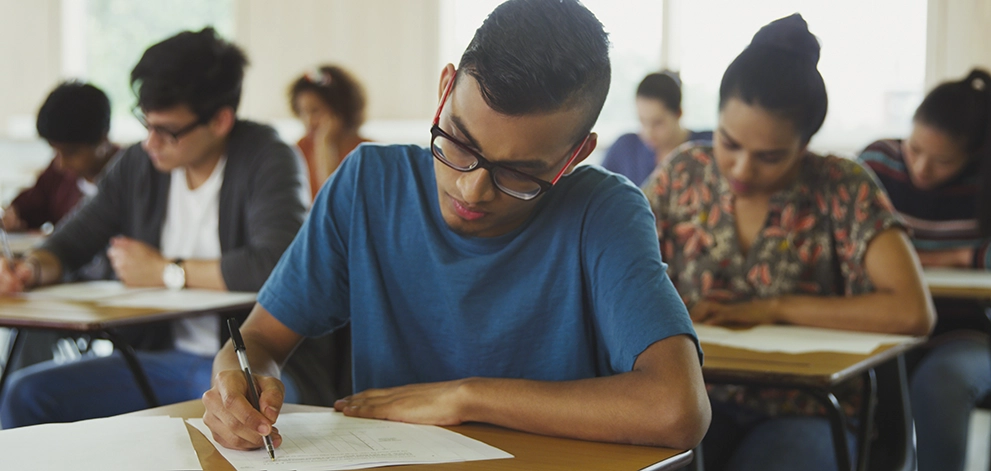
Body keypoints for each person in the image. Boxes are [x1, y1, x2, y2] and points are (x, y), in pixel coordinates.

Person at [201, 0, 709, 453]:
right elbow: (257, 341)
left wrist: (466, 397)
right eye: (459, 143)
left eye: (519, 173)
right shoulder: (368, 185)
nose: (472, 189)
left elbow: (676, 407)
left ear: (575, 156)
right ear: (445, 90)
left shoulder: (604, 212)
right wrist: (237, 387)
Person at [642, 14, 935, 471]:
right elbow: (613, 269)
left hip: (811, 408)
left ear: (805, 144)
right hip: (695, 397)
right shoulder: (683, 174)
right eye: (729, 142)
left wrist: (774, 308)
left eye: (770, 156)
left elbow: (913, 312)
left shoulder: (842, 185)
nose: (741, 168)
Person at [0, 27, 308, 428]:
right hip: (160, 361)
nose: (151, 142)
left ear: (220, 120)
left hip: (249, 365)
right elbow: (71, 242)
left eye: (167, 131)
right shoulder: (139, 165)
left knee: (248, 404)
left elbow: (277, 265)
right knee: (26, 394)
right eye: (146, 124)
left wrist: (167, 272)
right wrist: (30, 269)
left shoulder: (268, 158)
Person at [857, 68, 991, 471]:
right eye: (914, 148)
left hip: (965, 331)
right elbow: (842, 237)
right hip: (883, 327)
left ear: (973, 155)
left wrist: (952, 258)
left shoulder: (983, 180)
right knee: (866, 387)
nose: (921, 168)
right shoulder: (878, 163)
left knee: (940, 384)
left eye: (942, 160)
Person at [2, 82, 120, 232]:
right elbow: (26, 208)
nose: (61, 164)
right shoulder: (58, 176)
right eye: (55, 151)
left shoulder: (131, 174)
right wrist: (12, 217)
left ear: (103, 139)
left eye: (71, 152)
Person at [601, 72, 711, 186]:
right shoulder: (625, 149)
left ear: (678, 114)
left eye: (658, 123)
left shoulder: (706, 146)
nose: (648, 132)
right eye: (642, 121)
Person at [289, 65, 370, 198]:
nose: (308, 121)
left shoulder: (366, 152)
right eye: (303, 112)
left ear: (340, 110)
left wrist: (326, 145)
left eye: (315, 111)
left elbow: (335, 202)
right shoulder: (300, 149)